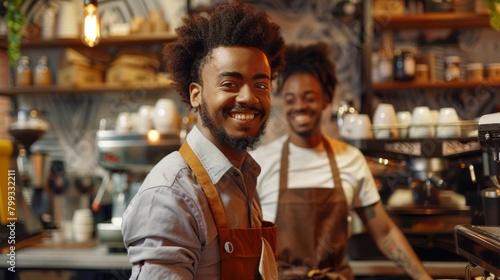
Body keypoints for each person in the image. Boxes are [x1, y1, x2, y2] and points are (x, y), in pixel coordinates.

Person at [121, 2, 286, 279]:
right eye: (229, 84)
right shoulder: (171, 194)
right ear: (196, 95)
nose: (248, 97)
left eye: (261, 85)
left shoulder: (243, 178)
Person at [250, 43, 433, 280]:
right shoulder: (261, 161)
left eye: (309, 97)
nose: (300, 107)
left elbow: (385, 232)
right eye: (291, 99)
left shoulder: (350, 159)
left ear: (326, 100)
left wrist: (424, 278)